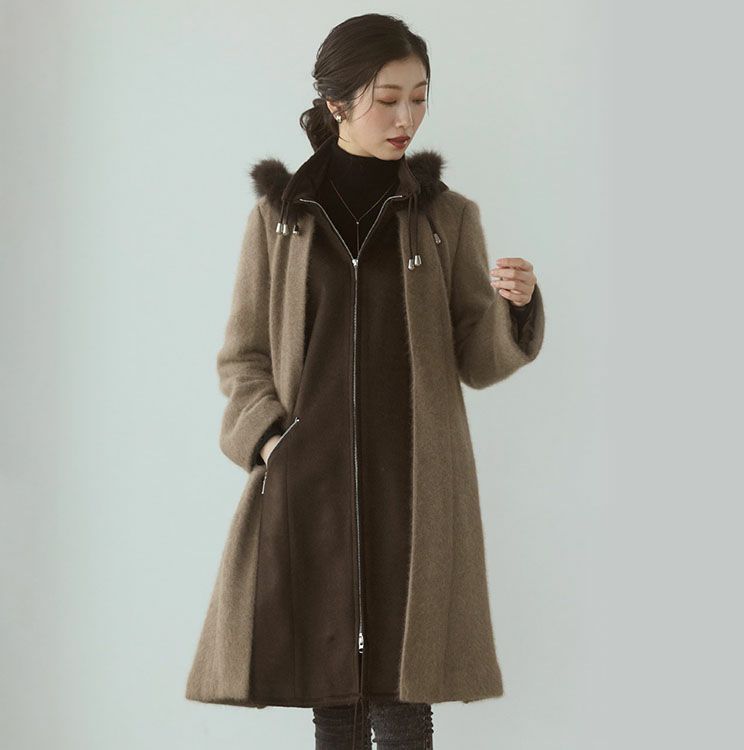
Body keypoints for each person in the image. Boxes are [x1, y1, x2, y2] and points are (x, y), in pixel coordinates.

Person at [185, 13, 544, 750]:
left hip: (412, 482)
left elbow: (476, 358)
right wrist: (273, 442)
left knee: (403, 697)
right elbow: (243, 357)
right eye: (388, 99)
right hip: (309, 480)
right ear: (337, 101)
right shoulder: (278, 219)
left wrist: (515, 309)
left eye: (420, 98)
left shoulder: (446, 218)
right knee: (332, 695)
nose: (407, 118)